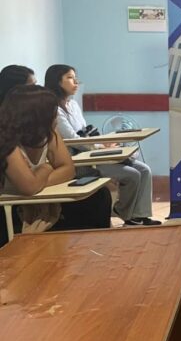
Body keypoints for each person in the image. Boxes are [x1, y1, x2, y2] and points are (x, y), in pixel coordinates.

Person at [45, 64, 160, 226]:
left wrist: (104, 144)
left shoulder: (73, 105)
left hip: (91, 152)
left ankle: (141, 215)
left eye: (75, 77)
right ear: (56, 82)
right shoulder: (54, 110)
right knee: (132, 174)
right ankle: (125, 213)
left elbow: (85, 132)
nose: (76, 82)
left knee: (144, 169)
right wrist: (102, 148)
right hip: (80, 161)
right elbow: (73, 139)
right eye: (70, 78)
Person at [0, 85, 111, 237]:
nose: (56, 117)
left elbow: (68, 169)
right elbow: (28, 188)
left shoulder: (49, 133)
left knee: (99, 196)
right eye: (53, 112)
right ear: (37, 116)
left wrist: (38, 179)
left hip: (42, 200)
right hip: (13, 208)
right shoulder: (6, 141)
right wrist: (46, 168)